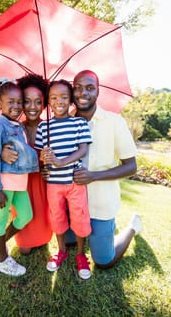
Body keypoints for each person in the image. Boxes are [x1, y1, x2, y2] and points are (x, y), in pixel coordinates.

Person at [71, 69, 143, 269]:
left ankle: (132, 227)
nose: (82, 93)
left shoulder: (114, 121)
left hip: (100, 204)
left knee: (104, 261)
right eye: (77, 88)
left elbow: (131, 166)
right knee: (68, 243)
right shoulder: (64, 121)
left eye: (89, 88)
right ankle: (96, 233)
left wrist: (93, 176)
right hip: (72, 203)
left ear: (97, 92)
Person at [35, 79, 92, 279]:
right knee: (57, 216)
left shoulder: (79, 122)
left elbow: (83, 149)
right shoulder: (44, 127)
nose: (59, 101)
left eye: (64, 97)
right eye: (54, 97)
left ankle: (80, 254)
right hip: (53, 183)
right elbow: (42, 154)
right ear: (48, 101)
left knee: (80, 216)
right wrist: (46, 157)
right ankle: (61, 251)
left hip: (75, 182)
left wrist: (60, 162)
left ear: (71, 101)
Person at [0, 79, 38, 277]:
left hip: (20, 184)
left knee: (25, 216)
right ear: (0, 105)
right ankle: (2, 260)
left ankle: (1, 245)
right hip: (4, 184)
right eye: (10, 102)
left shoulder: (20, 126)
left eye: (19, 102)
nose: (16, 106)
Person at [2, 74, 52, 254]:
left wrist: (49, 167)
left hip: (42, 185)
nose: (32, 107)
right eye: (27, 101)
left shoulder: (50, 128)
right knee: (24, 249)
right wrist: (2, 152)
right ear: (21, 103)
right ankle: (2, 242)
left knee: (44, 237)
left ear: (44, 104)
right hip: (21, 185)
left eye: (38, 102)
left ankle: (42, 236)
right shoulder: (14, 127)